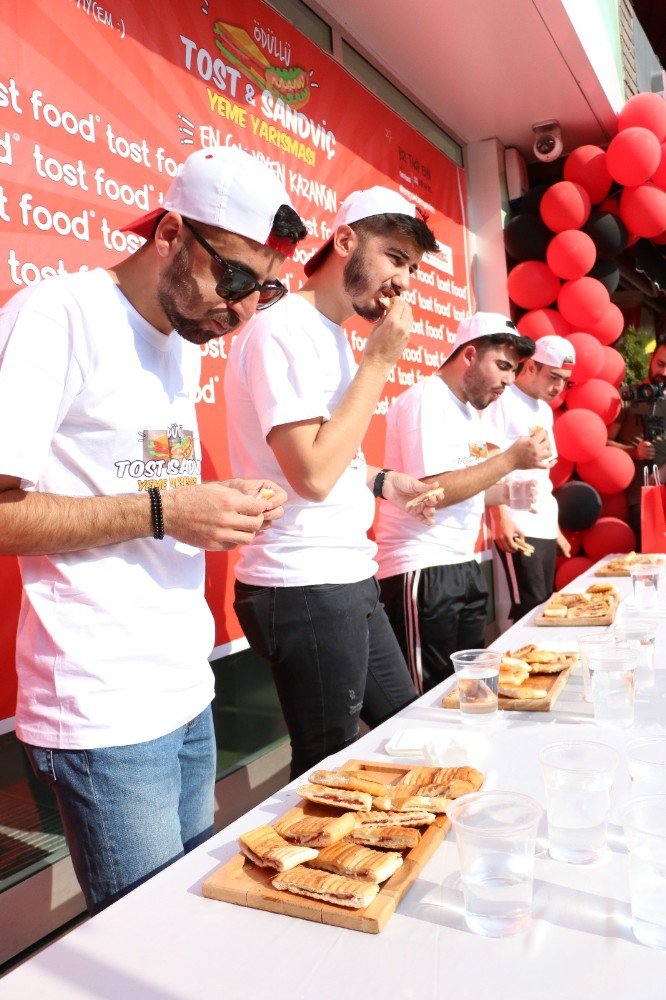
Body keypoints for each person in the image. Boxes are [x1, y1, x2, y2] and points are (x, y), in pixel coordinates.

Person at [0, 146, 307, 914]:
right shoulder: (58, 314)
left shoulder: (179, 340)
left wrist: (205, 504)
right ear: (169, 233)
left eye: (263, 293)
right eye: (234, 278)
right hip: (102, 709)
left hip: (185, 689)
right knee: (151, 947)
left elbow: (138, 489)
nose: (239, 311)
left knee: (192, 928)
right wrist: (169, 511)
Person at [225, 186, 440, 779]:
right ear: (345, 241)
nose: (403, 281)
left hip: (344, 575)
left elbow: (328, 460)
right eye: (395, 258)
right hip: (305, 583)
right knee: (326, 766)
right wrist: (381, 361)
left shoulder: (330, 336)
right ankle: (308, 873)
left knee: (407, 729)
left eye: (412, 269)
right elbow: (313, 475)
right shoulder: (283, 329)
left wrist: (383, 481)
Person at [376, 312, 552, 694]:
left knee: (469, 691)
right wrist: (508, 460)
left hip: (462, 564)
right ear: (469, 356)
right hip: (422, 566)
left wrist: (505, 493)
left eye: (513, 369)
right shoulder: (427, 398)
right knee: (428, 698)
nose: (508, 379)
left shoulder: (469, 412)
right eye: (502, 366)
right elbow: (431, 490)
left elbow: (461, 488)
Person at [484, 335, 575, 622]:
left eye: (565, 381)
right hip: (518, 521)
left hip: (543, 522)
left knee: (543, 605)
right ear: (532, 367)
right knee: (529, 611)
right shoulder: (503, 399)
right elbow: (489, 458)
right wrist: (501, 517)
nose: (558, 387)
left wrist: (555, 528)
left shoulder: (545, 410)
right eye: (554, 377)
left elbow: (542, 474)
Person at [608, 339, 666, 547]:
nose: (664, 372)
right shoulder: (627, 396)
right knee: (649, 562)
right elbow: (602, 443)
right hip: (641, 499)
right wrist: (634, 452)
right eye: (660, 364)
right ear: (651, 360)